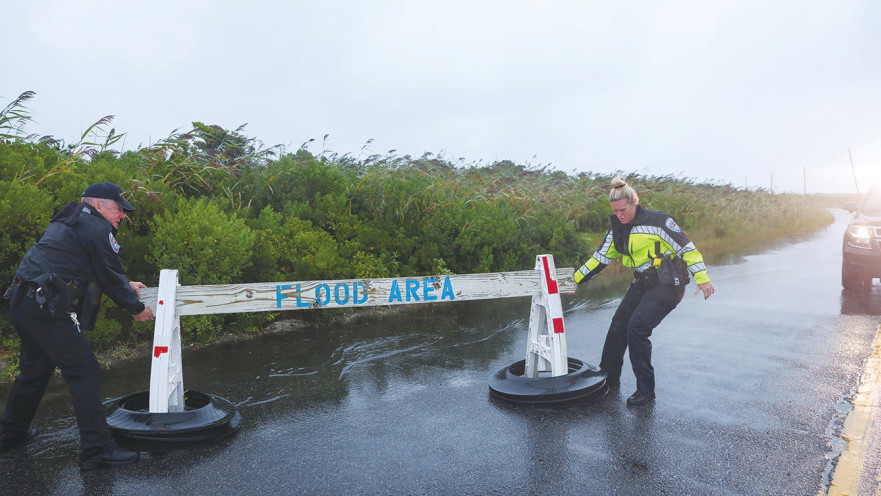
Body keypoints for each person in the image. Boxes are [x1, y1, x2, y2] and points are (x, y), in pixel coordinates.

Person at [0, 182, 155, 469]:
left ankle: (10, 433)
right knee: (84, 370)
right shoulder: (97, 228)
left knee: (34, 370)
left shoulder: (70, 218)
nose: (122, 215)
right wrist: (136, 309)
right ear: (99, 206)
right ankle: (97, 450)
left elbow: (86, 264)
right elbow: (107, 272)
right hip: (45, 309)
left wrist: (125, 283)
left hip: (22, 302)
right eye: (119, 208)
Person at [574, 177, 715, 406]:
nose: (619, 214)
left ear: (635, 202)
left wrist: (703, 279)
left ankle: (645, 391)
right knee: (618, 324)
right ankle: (608, 378)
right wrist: (577, 279)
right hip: (643, 283)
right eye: (615, 210)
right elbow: (601, 257)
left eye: (623, 209)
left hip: (669, 284)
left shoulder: (659, 221)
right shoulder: (617, 229)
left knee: (637, 328)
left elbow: (688, 249)